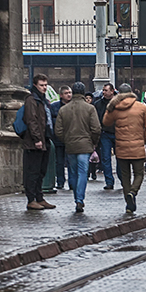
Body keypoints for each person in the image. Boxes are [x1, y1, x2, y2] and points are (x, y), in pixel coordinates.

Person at [103, 83, 146, 213]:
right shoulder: (141, 107)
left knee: (125, 176)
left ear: (119, 93)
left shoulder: (115, 108)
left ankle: (129, 205)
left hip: (121, 147)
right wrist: (143, 139)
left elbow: (106, 122)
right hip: (137, 147)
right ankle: (133, 192)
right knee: (139, 174)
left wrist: (111, 106)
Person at [55, 81, 101, 213]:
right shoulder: (90, 108)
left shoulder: (64, 109)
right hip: (85, 145)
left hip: (70, 145)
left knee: (73, 172)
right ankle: (79, 199)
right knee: (82, 172)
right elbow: (96, 128)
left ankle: (77, 198)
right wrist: (93, 141)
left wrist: (66, 140)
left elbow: (58, 130)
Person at [22, 74, 56, 211]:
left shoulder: (43, 100)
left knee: (41, 171)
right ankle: (31, 199)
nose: (44, 87)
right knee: (33, 171)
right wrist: (37, 139)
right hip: (35, 141)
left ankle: (39, 197)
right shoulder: (32, 100)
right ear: (35, 85)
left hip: (45, 138)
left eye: (46, 85)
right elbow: (31, 120)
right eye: (42, 85)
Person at [94, 83, 118, 189]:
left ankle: (122, 178)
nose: (103, 92)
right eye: (103, 90)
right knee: (105, 158)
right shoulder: (98, 104)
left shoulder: (118, 103)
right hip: (105, 133)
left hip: (117, 133)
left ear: (112, 91)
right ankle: (109, 181)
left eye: (106, 90)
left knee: (120, 157)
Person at [49, 85, 72, 190]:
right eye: (66, 93)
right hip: (58, 138)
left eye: (70, 92)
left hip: (70, 138)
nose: (69, 95)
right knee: (59, 161)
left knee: (71, 161)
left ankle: (72, 182)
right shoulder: (54, 107)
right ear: (61, 95)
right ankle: (60, 181)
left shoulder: (73, 106)